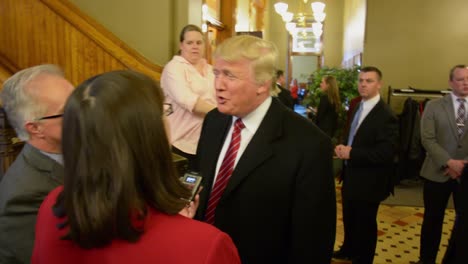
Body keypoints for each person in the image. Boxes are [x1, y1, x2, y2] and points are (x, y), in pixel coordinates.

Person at [31, 70, 240, 264]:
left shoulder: (52, 206)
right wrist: (179, 228)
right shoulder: (207, 246)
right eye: (164, 112)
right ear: (150, 135)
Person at [195, 35, 336, 263]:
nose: (218, 85)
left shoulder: (309, 143)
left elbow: (313, 239)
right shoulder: (213, 121)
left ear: (262, 83)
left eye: (229, 75)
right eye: (217, 73)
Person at [0, 64, 74, 264]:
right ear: (35, 128)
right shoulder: (24, 196)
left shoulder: (80, 150)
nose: (82, 113)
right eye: (68, 110)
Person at [334, 66, 398, 264]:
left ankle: (363, 259)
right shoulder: (356, 106)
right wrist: (344, 147)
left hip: (370, 179)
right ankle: (348, 249)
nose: (363, 84)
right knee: (350, 218)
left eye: (369, 81)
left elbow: (385, 153)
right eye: (361, 80)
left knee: (366, 224)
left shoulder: (386, 115)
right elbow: (354, 135)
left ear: (379, 84)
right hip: (351, 175)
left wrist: (352, 153)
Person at [416, 65, 468, 264]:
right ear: (450, 82)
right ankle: (426, 259)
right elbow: (427, 138)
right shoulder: (434, 106)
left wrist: (463, 165)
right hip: (436, 172)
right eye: (461, 79)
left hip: (466, 174)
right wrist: (448, 162)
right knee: (432, 221)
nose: (466, 82)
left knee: (463, 222)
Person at [161, 24, 217, 171]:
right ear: (181, 45)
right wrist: (222, 113)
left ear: (205, 45)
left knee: (202, 188)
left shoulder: (211, 70)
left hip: (206, 142)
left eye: (199, 43)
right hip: (179, 143)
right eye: (189, 43)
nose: (195, 47)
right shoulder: (173, 68)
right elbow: (189, 101)